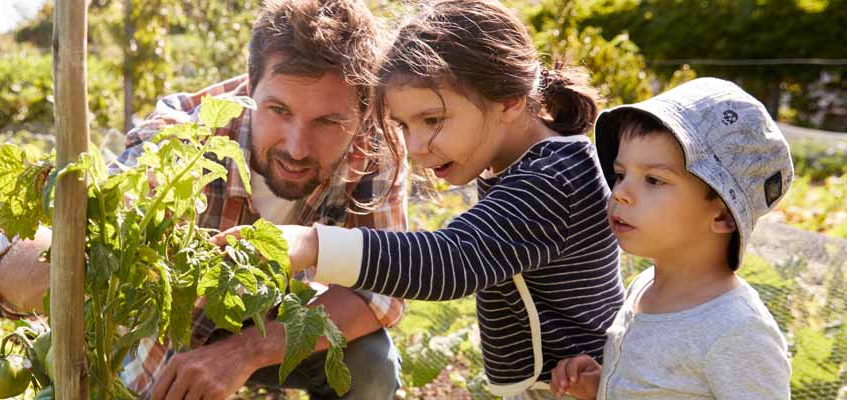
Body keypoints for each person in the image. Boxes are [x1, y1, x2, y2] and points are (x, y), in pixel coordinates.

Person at [0, 1, 409, 398]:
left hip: (280, 321)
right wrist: (100, 257)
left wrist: (242, 353)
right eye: (278, 110)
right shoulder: (184, 136)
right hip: (179, 327)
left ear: (363, 110)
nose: (297, 147)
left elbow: (382, 293)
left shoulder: (376, 148)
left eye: (328, 121)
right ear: (249, 86)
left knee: (371, 364)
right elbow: (12, 269)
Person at [219, 1, 625, 398]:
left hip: (583, 384)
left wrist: (312, 244)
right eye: (402, 126)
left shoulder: (552, 179)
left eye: (432, 120)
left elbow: (452, 260)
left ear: (510, 100)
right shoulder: (524, 164)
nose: (414, 148)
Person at [547, 78, 793, 399]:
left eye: (653, 180)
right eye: (621, 175)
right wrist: (603, 386)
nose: (620, 193)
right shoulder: (644, 286)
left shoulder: (737, 332)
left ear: (722, 215)